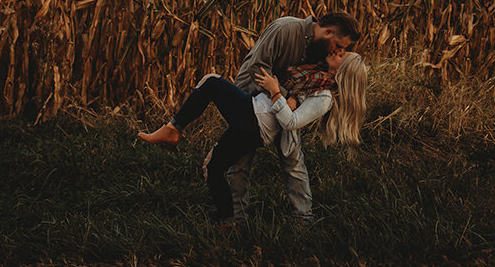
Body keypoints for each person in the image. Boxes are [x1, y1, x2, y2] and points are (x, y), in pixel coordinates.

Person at [137, 50, 367, 225]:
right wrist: (289, 96)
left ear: (343, 71)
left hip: (255, 119)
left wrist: (275, 90)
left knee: (211, 81)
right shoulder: (316, 79)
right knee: (212, 167)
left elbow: (291, 122)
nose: (337, 51)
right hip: (253, 121)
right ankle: (228, 223)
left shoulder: (324, 98)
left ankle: (173, 128)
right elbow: (294, 99)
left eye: (342, 55)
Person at [231, 12, 361, 222]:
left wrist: (290, 99)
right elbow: (258, 68)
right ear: (328, 32)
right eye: (338, 45)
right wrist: (285, 95)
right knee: (241, 160)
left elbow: (311, 81)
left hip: (284, 106)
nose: (338, 51)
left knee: (293, 159)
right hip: (251, 96)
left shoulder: (321, 49)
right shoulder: (285, 29)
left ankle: (303, 217)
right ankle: (235, 218)